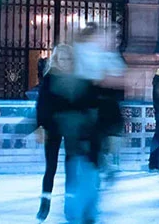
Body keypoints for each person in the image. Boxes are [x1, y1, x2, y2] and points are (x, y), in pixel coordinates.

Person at [56, 24, 125, 224]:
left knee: (84, 164)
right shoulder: (84, 54)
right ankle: (82, 211)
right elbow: (106, 80)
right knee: (84, 164)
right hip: (84, 120)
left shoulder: (97, 55)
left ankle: (83, 209)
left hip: (91, 122)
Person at [33, 44, 75, 221]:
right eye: (61, 58)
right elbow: (42, 104)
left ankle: (69, 206)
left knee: (71, 168)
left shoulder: (75, 78)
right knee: (51, 167)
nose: (65, 62)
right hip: (52, 127)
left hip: (71, 127)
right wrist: (40, 126)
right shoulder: (50, 78)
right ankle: (45, 202)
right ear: (56, 60)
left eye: (67, 58)